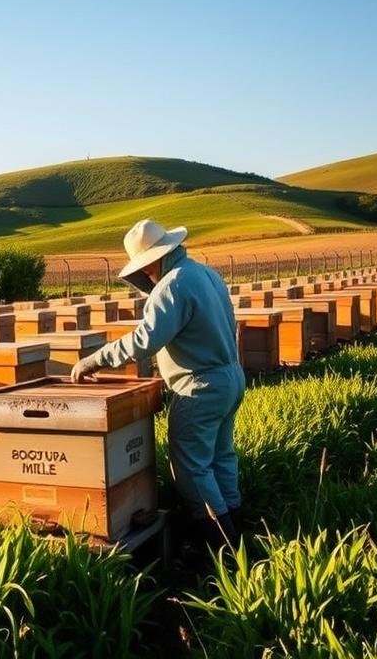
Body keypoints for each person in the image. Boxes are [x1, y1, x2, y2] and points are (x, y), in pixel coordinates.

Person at [71, 219, 246, 550]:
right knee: (222, 458)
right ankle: (238, 529)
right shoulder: (206, 273)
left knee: (192, 467)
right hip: (231, 377)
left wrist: (95, 359)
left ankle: (221, 548)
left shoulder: (172, 285)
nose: (146, 276)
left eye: (145, 269)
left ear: (151, 260)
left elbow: (144, 341)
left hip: (200, 387)